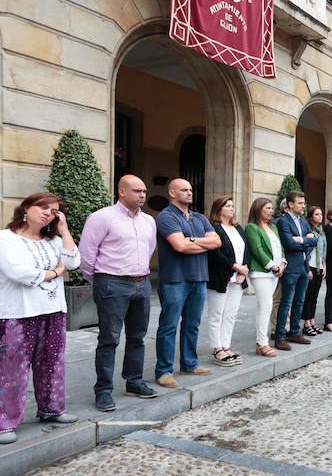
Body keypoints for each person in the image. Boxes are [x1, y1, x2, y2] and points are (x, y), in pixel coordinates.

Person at [0, 193, 81, 444]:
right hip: (18, 312)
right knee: (13, 369)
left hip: (53, 310)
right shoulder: (5, 239)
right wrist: (56, 272)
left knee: (53, 363)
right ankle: (5, 421)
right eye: (43, 207)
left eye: (55, 211)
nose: (48, 213)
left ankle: (51, 408)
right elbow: (19, 272)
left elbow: (74, 262)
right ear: (26, 208)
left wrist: (64, 229)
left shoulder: (54, 240)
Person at [79, 175, 158, 413]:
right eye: (137, 191)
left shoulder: (148, 221)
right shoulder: (102, 217)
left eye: (144, 191)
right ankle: (103, 390)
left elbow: (150, 249)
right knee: (109, 339)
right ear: (121, 192)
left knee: (137, 337)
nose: (142, 195)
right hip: (111, 283)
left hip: (141, 283)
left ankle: (133, 382)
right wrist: (101, 281)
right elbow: (87, 253)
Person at [154, 179, 220, 387]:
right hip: (175, 279)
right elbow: (179, 246)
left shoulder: (199, 217)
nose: (190, 193)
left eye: (191, 189)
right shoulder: (166, 217)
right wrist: (200, 243)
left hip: (199, 278)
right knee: (169, 326)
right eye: (184, 190)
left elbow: (216, 242)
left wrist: (190, 240)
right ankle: (163, 371)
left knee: (192, 325)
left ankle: (189, 364)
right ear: (172, 193)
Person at [205, 196, 248, 368]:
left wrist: (244, 271)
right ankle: (217, 349)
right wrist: (236, 266)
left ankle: (226, 346)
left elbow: (247, 249)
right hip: (220, 277)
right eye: (227, 206)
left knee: (230, 313)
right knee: (216, 314)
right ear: (219, 209)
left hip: (237, 277)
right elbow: (215, 253)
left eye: (232, 205)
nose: (231, 208)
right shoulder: (213, 228)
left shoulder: (238, 228)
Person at [273, 191, 316, 350]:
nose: (303, 206)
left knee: (299, 302)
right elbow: (289, 244)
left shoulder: (304, 222)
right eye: (300, 203)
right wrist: (306, 240)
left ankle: (295, 332)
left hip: (304, 268)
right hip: (291, 268)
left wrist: (300, 240)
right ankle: (280, 336)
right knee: (286, 302)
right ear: (290, 204)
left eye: (304, 203)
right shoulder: (283, 222)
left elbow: (315, 241)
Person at [245, 198, 285, 357]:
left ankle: (261, 342)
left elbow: (280, 248)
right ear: (258, 209)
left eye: (271, 208)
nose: (271, 211)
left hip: (276, 272)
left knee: (266, 306)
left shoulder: (273, 227)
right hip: (261, 272)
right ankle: (262, 343)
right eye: (267, 208)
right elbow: (257, 250)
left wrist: (282, 264)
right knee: (266, 305)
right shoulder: (251, 227)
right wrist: (272, 266)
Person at [301, 206, 326, 337]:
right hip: (310, 266)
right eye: (317, 214)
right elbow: (306, 251)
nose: (320, 217)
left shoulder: (321, 231)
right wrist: (307, 268)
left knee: (315, 296)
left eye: (321, 214)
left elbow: (322, 251)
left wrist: (324, 265)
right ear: (310, 217)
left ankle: (312, 321)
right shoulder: (308, 231)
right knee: (308, 296)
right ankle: (306, 324)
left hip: (319, 266)